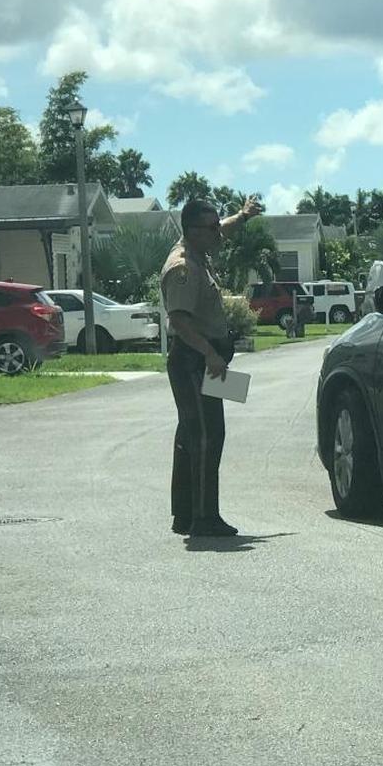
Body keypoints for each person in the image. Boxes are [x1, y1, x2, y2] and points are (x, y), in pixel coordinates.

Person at [161, 195, 263, 536]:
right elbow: (179, 320)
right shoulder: (183, 266)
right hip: (194, 360)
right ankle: (203, 518)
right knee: (206, 435)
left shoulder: (199, 253)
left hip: (205, 360)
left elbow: (225, 230)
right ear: (192, 230)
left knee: (192, 434)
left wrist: (244, 215)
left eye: (218, 224)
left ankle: (186, 514)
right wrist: (209, 353)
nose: (219, 232)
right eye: (211, 227)